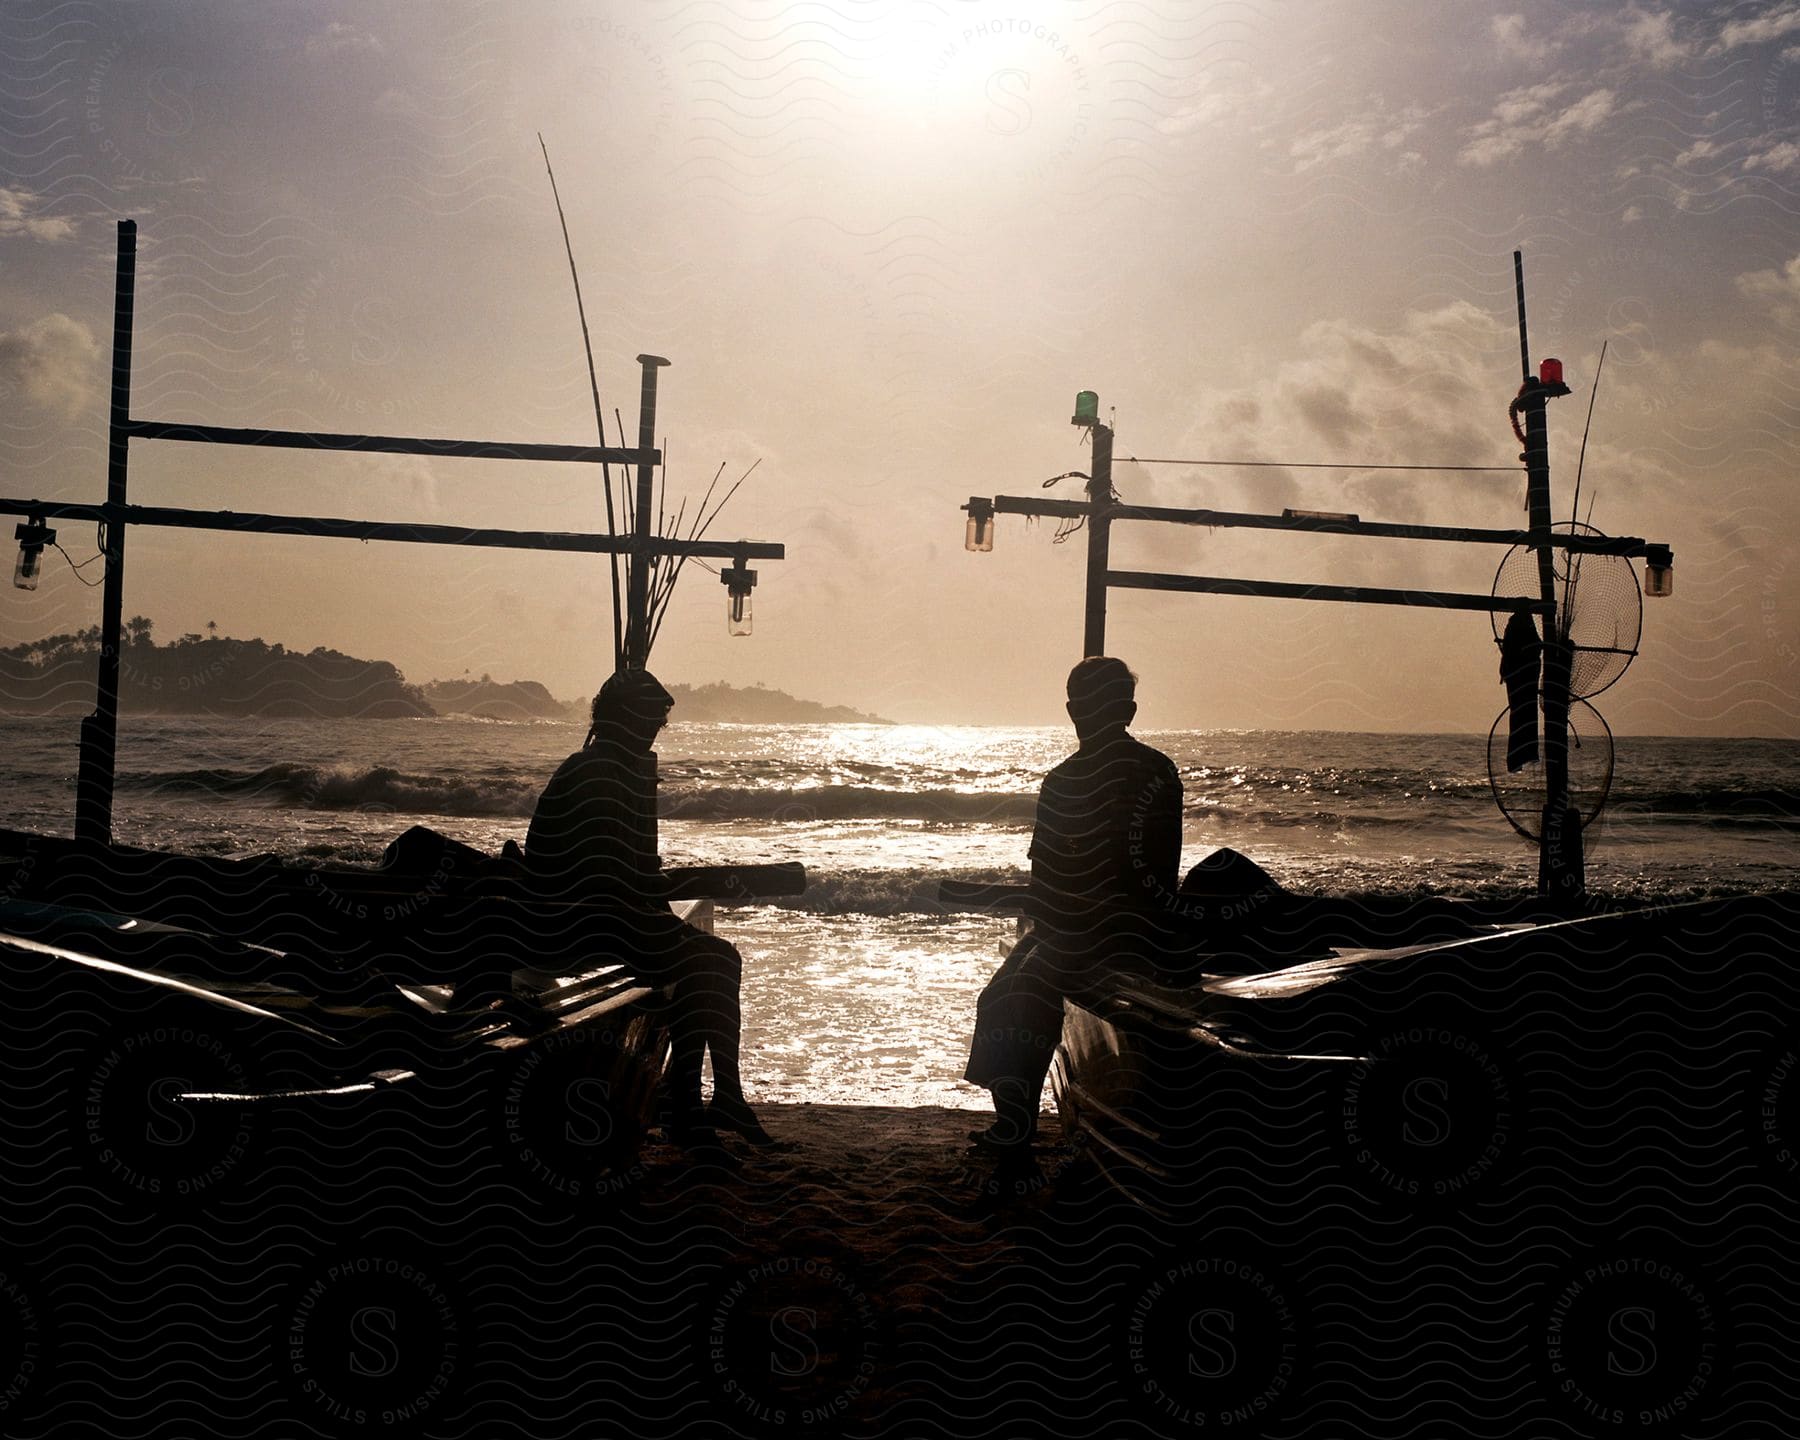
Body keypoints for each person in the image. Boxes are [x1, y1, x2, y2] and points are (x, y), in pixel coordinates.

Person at [525, 668, 772, 1148]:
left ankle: (713, 1099)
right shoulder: (598, 773)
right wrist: (657, 886)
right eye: (650, 723)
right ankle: (693, 1104)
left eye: (658, 725)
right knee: (712, 959)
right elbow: (610, 874)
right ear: (625, 721)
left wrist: (653, 882)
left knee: (710, 958)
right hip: (572, 925)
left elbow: (630, 869)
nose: (653, 733)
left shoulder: (618, 769)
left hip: (593, 914)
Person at [965, 656, 1183, 1152]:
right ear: (1129, 710)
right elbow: (1162, 869)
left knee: (1004, 997)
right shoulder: (1159, 770)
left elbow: (1047, 879)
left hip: (1089, 935)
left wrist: (1049, 930)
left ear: (1072, 711)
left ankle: (1014, 1124)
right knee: (1016, 982)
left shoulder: (1064, 779)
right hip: (1148, 930)